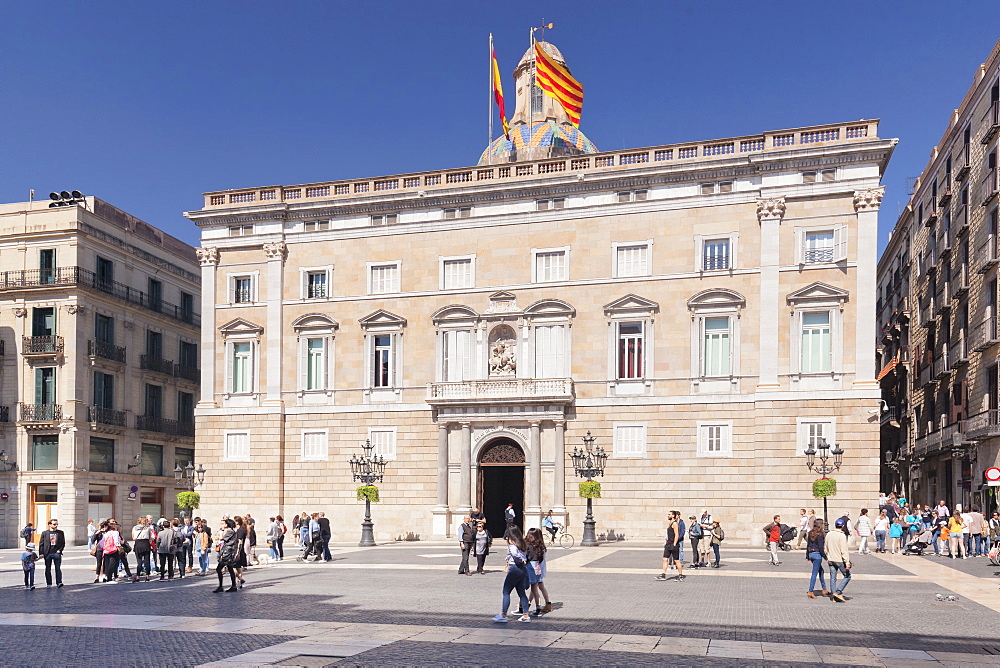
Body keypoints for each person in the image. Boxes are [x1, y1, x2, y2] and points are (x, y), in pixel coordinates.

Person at [491, 526, 531, 623]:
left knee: (506, 592)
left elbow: (515, 555)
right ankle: (526, 615)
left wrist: (519, 561)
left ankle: (503, 614)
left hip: (515, 568)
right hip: (522, 570)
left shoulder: (513, 546)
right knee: (521, 593)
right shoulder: (522, 544)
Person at [525, 528, 552, 615]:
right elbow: (541, 559)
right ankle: (544, 604)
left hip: (533, 568)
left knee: (535, 588)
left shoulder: (530, 546)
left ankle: (527, 606)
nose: (528, 536)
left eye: (530, 535)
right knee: (536, 588)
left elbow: (527, 557)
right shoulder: (541, 546)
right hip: (538, 568)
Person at [826, 518, 852, 602]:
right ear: (843, 526)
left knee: (833, 577)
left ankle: (833, 595)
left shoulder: (829, 534)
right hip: (839, 559)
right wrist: (847, 562)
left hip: (830, 558)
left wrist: (827, 555)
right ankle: (838, 591)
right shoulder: (842, 536)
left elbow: (825, 547)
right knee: (847, 576)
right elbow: (844, 550)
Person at [656, 510, 684, 581]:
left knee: (676, 560)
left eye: (669, 514)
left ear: (673, 515)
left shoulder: (675, 523)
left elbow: (677, 534)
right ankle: (663, 574)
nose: (668, 516)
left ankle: (680, 575)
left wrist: (674, 544)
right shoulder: (670, 523)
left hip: (673, 544)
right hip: (668, 544)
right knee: (665, 559)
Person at [214, 518, 240, 593]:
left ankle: (221, 586)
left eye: (224, 524)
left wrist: (221, 534)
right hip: (227, 551)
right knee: (230, 568)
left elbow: (222, 538)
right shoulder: (230, 531)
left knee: (219, 568)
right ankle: (233, 585)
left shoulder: (230, 531)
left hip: (228, 552)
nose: (223, 525)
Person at [38, 518, 65, 588]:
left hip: (57, 553)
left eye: (57, 524)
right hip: (47, 553)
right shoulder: (45, 533)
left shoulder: (60, 533)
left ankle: (59, 582)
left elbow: (63, 543)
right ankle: (49, 583)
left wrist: (60, 550)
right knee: (47, 569)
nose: (56, 525)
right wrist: (41, 553)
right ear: (49, 525)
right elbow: (41, 543)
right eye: (54, 524)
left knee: (58, 568)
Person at [805, 519, 828, 599]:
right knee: (814, 573)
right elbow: (821, 547)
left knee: (821, 571)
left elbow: (808, 545)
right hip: (817, 555)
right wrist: (825, 557)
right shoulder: (821, 534)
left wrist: (807, 556)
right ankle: (810, 591)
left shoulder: (810, 532)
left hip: (811, 554)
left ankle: (824, 589)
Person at [132, 517, 155, 581]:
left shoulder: (134, 528)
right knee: (147, 561)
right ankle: (147, 576)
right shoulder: (148, 528)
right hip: (146, 544)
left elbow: (133, 538)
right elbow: (151, 537)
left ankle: (138, 576)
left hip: (138, 544)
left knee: (139, 561)